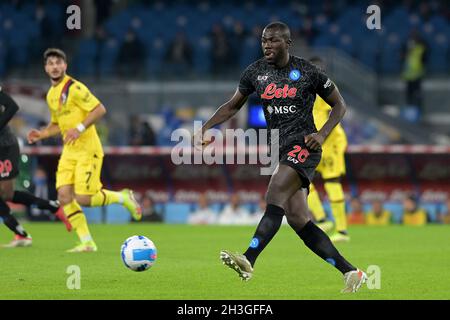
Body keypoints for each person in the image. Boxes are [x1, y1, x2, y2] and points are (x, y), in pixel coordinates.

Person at [194, 22, 366, 292]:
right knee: (299, 219)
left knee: (274, 194)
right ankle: (351, 272)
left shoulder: (309, 71)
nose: (267, 45)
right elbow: (232, 106)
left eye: (273, 40)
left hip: (304, 147)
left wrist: (321, 135)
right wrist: (205, 127)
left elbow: (339, 105)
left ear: (287, 43)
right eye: (264, 40)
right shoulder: (255, 72)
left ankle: (248, 259)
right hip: (279, 148)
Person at [27, 48, 142, 252]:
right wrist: (41, 134)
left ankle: (123, 197)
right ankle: (87, 242)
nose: (55, 67)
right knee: (63, 196)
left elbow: (99, 109)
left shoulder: (75, 88)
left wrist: (80, 128)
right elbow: (57, 124)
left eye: (58, 62)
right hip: (69, 151)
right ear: (46, 68)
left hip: (88, 149)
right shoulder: (51, 95)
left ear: (65, 66)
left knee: (83, 199)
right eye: (50, 63)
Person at [0, 87, 71, 248]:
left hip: (4, 146)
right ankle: (51, 208)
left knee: (5, 194)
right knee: (6, 195)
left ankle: (22, 234)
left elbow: (12, 107)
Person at [306, 56, 350, 243]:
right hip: (316, 142)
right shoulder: (308, 90)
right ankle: (322, 219)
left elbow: (334, 113)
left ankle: (342, 231)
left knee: (332, 182)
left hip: (330, 141)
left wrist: (321, 137)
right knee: (301, 178)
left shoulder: (326, 88)